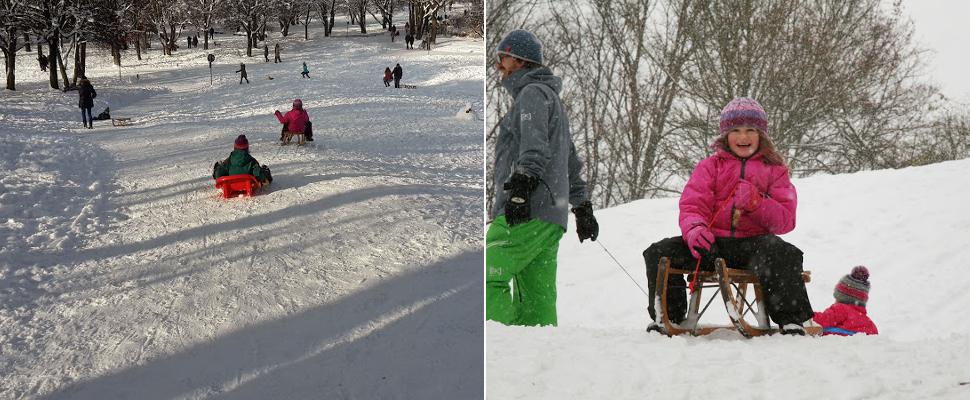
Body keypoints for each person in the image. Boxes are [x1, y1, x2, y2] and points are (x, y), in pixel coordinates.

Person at [641, 97, 813, 335]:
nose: (743, 137)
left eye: (751, 130)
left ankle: (792, 320)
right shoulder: (710, 167)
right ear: (725, 135)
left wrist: (757, 203)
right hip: (711, 244)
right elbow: (692, 205)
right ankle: (669, 316)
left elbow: (786, 219)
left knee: (783, 252)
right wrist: (695, 231)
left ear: (761, 134)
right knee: (659, 252)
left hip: (753, 247)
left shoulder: (774, 170)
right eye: (736, 131)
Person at [485, 30, 599, 327]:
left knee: (487, 276)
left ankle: (493, 346)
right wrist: (581, 206)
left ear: (520, 61)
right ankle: (536, 356)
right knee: (537, 299)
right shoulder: (553, 101)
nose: (499, 65)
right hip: (550, 216)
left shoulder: (532, 94)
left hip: (527, 209)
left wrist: (520, 190)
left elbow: (534, 147)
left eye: (503, 58)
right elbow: (570, 162)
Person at [813, 266, 878, 336]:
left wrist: (805, 314)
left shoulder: (841, 309)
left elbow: (821, 320)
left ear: (842, 297)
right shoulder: (870, 325)